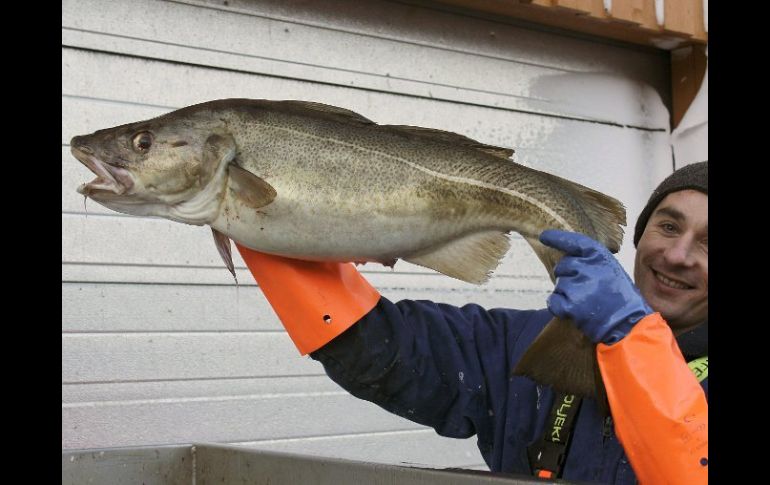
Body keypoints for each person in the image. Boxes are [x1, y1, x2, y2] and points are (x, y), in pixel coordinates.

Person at [237, 161, 708, 484]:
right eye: (667, 226)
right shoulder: (517, 343)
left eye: (708, 242)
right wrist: (256, 219)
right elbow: (375, 347)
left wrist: (628, 337)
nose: (677, 255)